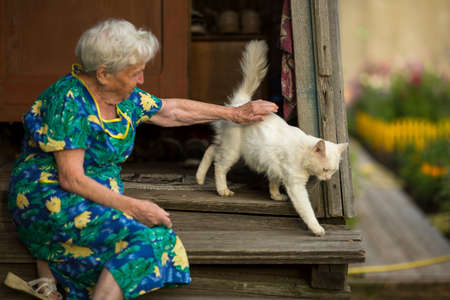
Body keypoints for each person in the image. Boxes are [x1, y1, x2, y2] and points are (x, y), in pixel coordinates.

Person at [4, 18, 278, 300]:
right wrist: (134, 207)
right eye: (135, 73)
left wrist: (234, 114)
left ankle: (49, 273)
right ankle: (51, 263)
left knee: (149, 240)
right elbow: (70, 177)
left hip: (92, 191)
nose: (141, 80)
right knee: (145, 240)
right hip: (50, 194)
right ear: (103, 73)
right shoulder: (69, 101)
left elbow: (170, 111)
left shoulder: (123, 96)